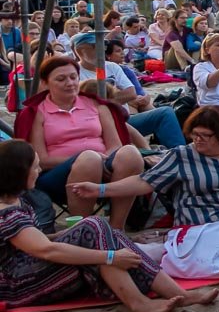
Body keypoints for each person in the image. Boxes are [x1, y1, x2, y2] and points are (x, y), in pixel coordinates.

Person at [70, 106, 219, 269]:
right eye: (194, 134)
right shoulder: (181, 156)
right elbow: (144, 182)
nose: (197, 139)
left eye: (205, 135)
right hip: (201, 215)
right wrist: (100, 190)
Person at [0, 139, 219, 312]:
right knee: (96, 230)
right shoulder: (5, 213)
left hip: (31, 268)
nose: (38, 170)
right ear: (19, 171)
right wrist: (110, 256)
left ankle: (180, 294)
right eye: (34, 166)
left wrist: (82, 233)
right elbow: (45, 249)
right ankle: (139, 304)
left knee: (102, 229)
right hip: (18, 285)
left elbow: (39, 241)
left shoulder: (17, 200)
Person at [17, 56, 145, 228]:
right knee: (89, 159)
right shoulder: (37, 112)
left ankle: (117, 228)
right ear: (45, 83)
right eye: (61, 79)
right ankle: (81, 230)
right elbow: (42, 159)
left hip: (104, 163)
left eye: (73, 77)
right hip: (55, 175)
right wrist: (86, 158)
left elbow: (115, 144)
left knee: (130, 153)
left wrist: (104, 160)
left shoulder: (96, 104)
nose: (69, 83)